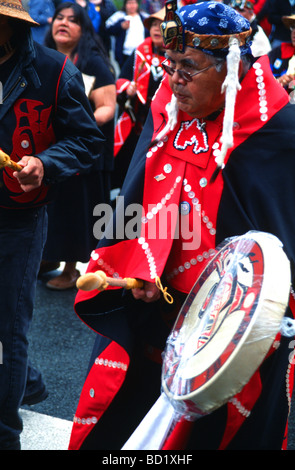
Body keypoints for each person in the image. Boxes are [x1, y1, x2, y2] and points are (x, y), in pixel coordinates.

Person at [68, 0, 295, 450]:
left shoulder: (276, 131)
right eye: (170, 65)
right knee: (120, 430)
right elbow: (136, 194)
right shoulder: (167, 108)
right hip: (151, 311)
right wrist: (127, 262)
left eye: (188, 68)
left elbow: (281, 245)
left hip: (225, 334)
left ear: (231, 69)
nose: (174, 79)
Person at [0, 0, 104, 450]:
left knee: (9, 329)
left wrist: (45, 162)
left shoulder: (52, 70)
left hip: (18, 220)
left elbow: (87, 140)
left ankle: (5, 435)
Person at [40, 2, 116, 290]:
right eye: (60, 17)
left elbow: (107, 107)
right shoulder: (43, 59)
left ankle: (71, 269)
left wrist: (77, 128)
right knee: (51, 204)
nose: (64, 23)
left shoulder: (93, 61)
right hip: (51, 147)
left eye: (73, 20)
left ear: (83, 30)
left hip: (83, 150)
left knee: (74, 208)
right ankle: (49, 257)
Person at [111, 7, 166, 191]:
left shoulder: (178, 55)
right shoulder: (140, 51)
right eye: (154, 25)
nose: (157, 29)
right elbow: (121, 80)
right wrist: (129, 88)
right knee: (130, 169)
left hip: (164, 124)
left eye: (162, 25)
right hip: (138, 124)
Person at [105, 0, 149, 69]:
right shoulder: (119, 16)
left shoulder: (144, 16)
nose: (132, 6)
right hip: (125, 54)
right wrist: (120, 26)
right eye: (129, 3)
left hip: (141, 53)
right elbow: (107, 28)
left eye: (134, 3)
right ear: (125, 4)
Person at [268, 14, 295, 93]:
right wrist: (278, 81)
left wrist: (291, 84)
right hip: (275, 97)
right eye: (293, 27)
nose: (294, 31)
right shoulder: (279, 51)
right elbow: (265, 74)